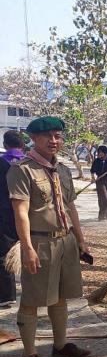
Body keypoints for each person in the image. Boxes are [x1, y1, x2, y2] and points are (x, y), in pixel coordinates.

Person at [7, 116, 91, 357]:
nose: (54, 141)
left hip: (64, 240)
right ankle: (29, 355)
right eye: (48, 136)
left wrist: (80, 239)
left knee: (61, 296)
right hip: (40, 241)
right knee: (32, 299)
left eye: (58, 135)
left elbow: (70, 207)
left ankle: (60, 344)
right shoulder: (22, 170)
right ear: (33, 138)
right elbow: (20, 212)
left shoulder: (63, 170)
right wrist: (27, 248)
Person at [0, 131, 26, 307]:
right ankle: (36, 292)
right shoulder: (30, 162)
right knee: (32, 249)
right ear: (22, 145)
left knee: (4, 253)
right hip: (30, 212)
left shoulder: (1, 162)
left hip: (5, 213)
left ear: (5, 144)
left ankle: (7, 295)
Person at [90, 145, 107, 221]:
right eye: (99, 152)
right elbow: (92, 171)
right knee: (104, 198)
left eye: (101, 152)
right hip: (100, 180)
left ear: (105, 153)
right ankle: (101, 216)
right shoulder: (97, 161)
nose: (100, 154)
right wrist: (93, 178)